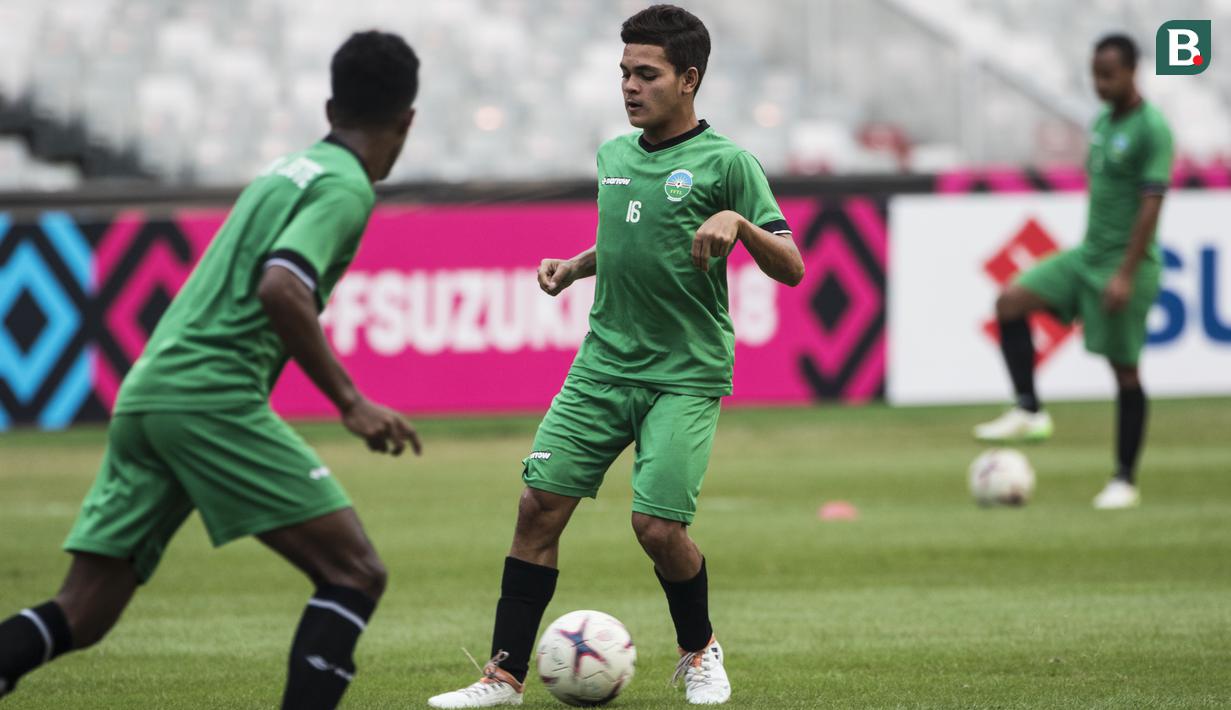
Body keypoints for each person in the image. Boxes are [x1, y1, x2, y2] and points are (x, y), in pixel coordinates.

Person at [0, 31, 422, 709]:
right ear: (407, 120)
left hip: (150, 394)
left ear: (328, 107)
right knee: (355, 571)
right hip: (209, 396)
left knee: (83, 612)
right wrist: (350, 401)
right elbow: (281, 286)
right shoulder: (345, 188)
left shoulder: (288, 169)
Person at [428, 5, 803, 707]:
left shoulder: (727, 163)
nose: (629, 86)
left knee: (657, 528)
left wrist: (740, 221)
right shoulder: (612, 156)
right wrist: (576, 267)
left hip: (683, 373)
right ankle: (502, 677)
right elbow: (638, 241)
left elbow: (792, 266)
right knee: (537, 506)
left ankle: (699, 652)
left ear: (688, 79)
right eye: (624, 72)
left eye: (647, 73)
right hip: (602, 364)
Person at [974, 33, 1173, 510]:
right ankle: (1030, 409)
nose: (1099, 83)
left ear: (1132, 72)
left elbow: (1151, 206)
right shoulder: (1103, 121)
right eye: (1095, 73)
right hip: (1086, 256)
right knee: (1009, 302)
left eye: (1109, 74)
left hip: (1126, 265)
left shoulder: (1153, 129)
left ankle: (1124, 479)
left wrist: (1124, 274)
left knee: (1125, 372)